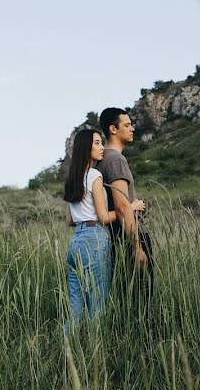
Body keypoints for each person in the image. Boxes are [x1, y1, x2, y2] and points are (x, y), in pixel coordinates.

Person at [64, 128, 144, 330]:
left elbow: (70, 220)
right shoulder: (94, 175)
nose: (102, 147)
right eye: (98, 143)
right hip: (94, 239)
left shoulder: (74, 177)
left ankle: (67, 356)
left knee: (75, 310)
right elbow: (103, 217)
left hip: (76, 243)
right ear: (86, 147)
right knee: (97, 306)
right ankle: (95, 357)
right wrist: (131, 207)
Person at [96, 107, 155, 306]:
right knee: (143, 298)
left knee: (126, 298)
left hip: (114, 238)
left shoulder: (101, 161)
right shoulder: (115, 160)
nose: (132, 129)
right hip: (128, 237)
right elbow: (122, 206)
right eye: (127, 125)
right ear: (113, 129)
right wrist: (137, 247)